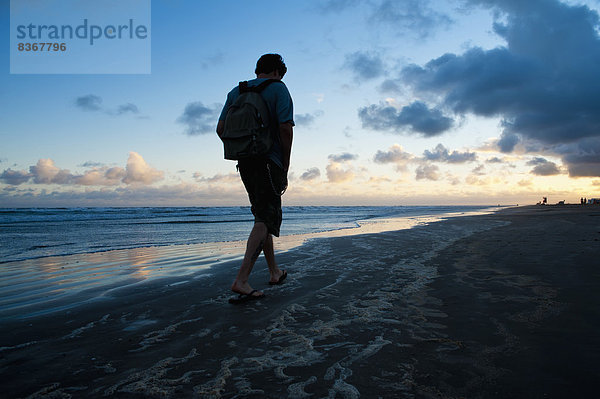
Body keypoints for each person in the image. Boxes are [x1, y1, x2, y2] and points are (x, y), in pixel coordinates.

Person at [216, 54, 294, 303]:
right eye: (280, 74)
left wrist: (243, 147)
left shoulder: (236, 91)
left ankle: (274, 272)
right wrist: (285, 160)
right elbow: (285, 127)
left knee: (263, 214)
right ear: (277, 72)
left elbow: (220, 128)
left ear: (257, 70)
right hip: (269, 161)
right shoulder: (278, 89)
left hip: (245, 161)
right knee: (265, 217)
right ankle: (241, 280)